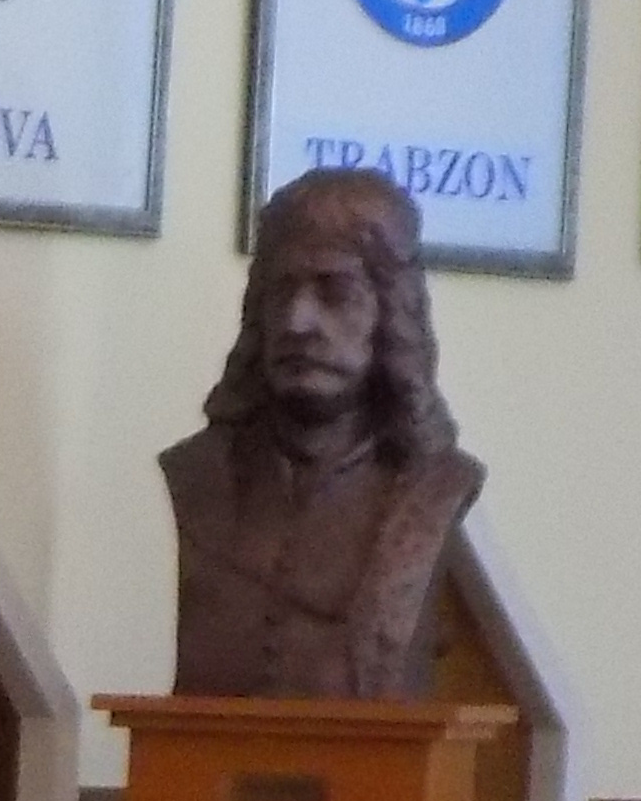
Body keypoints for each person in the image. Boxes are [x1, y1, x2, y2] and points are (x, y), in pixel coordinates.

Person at [163, 167, 481, 702]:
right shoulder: (194, 477)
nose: (297, 321)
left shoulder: (437, 487)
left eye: (336, 293)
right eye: (281, 292)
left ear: (390, 313)